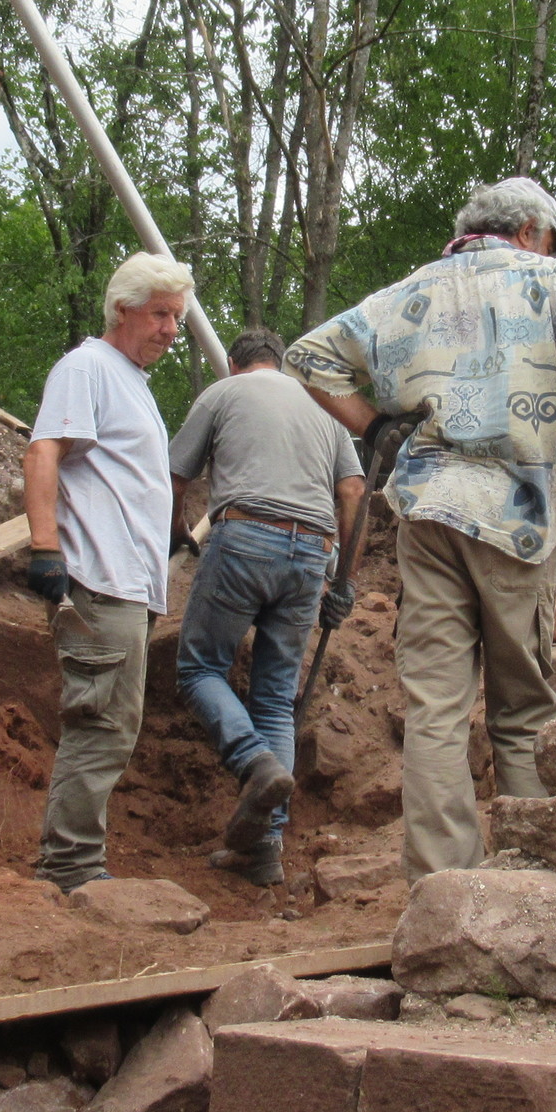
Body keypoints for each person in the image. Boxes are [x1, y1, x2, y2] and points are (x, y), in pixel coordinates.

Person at [287, 177, 556, 879]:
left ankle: (442, 885)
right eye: (550, 240)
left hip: (428, 512)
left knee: (435, 710)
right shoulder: (549, 278)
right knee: (521, 708)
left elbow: (307, 357)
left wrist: (376, 424)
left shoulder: (407, 293)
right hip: (519, 519)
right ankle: (532, 877)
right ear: (531, 231)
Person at [168, 327, 367, 888]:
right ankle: (265, 848)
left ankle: (254, 762)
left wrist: (176, 530)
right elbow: (354, 492)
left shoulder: (224, 392)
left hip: (246, 537)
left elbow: (173, 476)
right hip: (312, 554)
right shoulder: (324, 406)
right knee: (276, 698)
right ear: (281, 363)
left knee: (199, 668)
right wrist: (344, 583)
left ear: (235, 363)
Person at [22, 252, 195, 892]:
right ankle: (70, 868)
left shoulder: (129, 380)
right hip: (100, 579)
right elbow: (43, 451)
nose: (171, 330)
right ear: (123, 310)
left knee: (114, 726)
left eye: (177, 318)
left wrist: (167, 530)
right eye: (160, 315)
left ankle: (74, 863)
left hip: (127, 584)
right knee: (100, 726)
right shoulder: (87, 367)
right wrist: (46, 547)